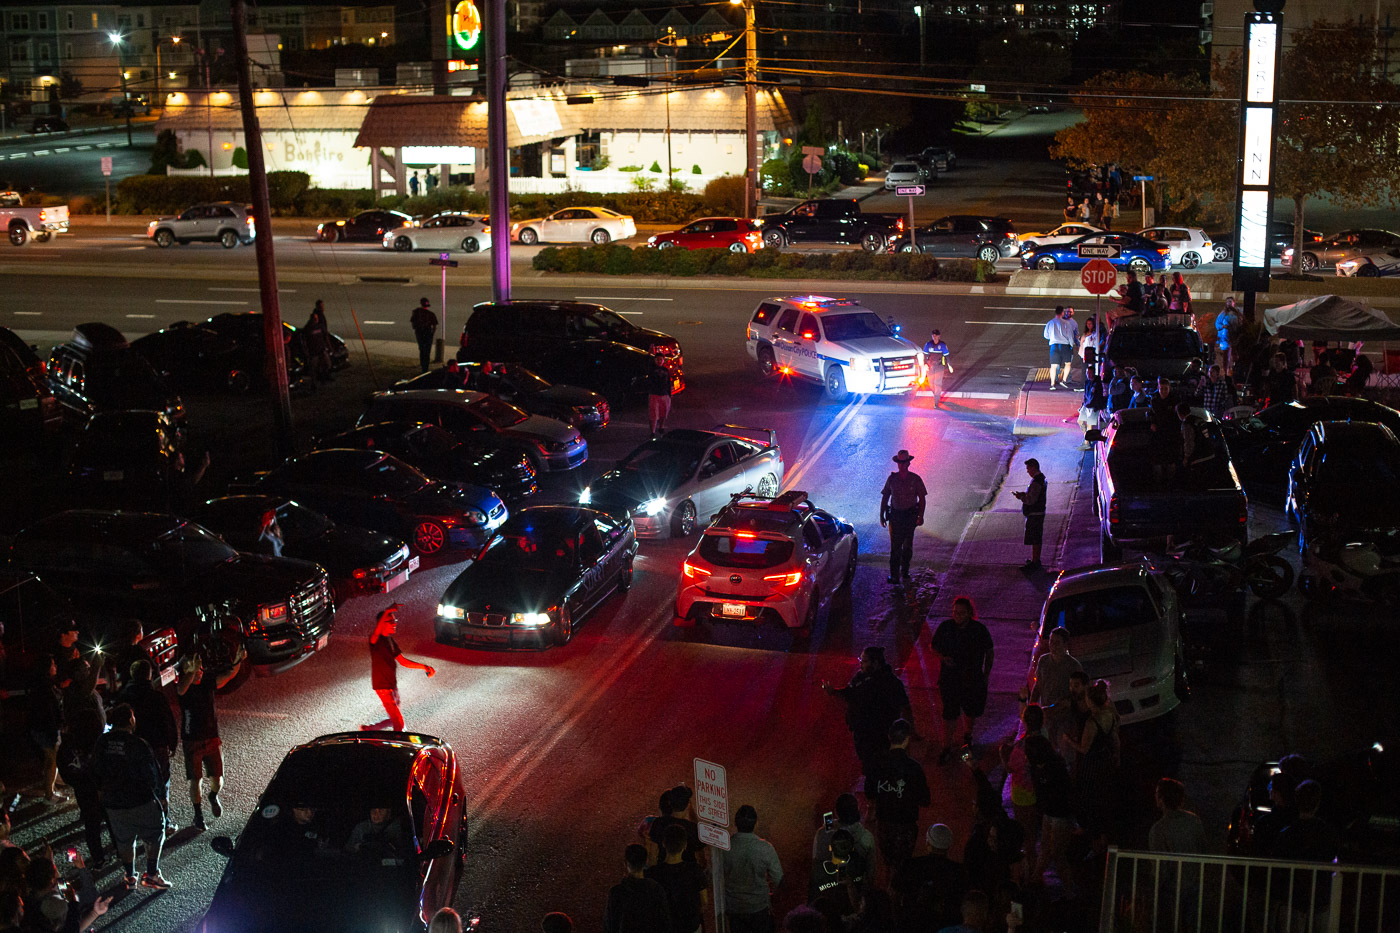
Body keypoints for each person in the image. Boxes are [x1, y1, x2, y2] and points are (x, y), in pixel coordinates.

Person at [93, 704, 170, 890]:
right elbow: (152, 773)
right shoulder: (138, 744)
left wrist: (101, 794)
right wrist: (160, 796)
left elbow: (95, 770)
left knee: (124, 840)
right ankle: (151, 874)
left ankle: (130, 876)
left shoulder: (102, 742)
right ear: (130, 720)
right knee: (155, 833)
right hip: (140, 801)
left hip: (114, 804)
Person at [822, 646, 915, 778]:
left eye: (864, 661)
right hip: (863, 735)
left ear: (875, 663)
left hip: (881, 736)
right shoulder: (860, 677)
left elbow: (905, 707)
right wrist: (834, 692)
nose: (860, 663)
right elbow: (849, 693)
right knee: (869, 765)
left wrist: (909, 732)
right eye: (861, 659)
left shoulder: (891, 684)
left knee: (880, 769)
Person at [177, 651, 239, 830]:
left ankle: (213, 796)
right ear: (185, 670)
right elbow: (181, 689)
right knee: (195, 780)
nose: (199, 670)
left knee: (218, 780)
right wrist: (191, 672)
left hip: (212, 739)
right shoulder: (183, 687)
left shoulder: (207, 683)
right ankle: (198, 815)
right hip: (192, 741)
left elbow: (230, 674)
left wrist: (237, 661)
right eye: (194, 667)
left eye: (200, 666)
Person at [931, 597, 995, 764]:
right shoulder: (946, 628)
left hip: (972, 679)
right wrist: (943, 658)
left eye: (961, 613)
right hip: (950, 679)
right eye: (955, 612)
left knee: (970, 710)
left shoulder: (979, 630)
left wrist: (986, 675)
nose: (957, 616)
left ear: (969, 613)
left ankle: (967, 736)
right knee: (949, 712)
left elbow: (990, 652)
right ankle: (947, 746)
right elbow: (934, 646)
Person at [117, 660, 178, 832]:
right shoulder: (156, 696)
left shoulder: (124, 696)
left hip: (131, 747)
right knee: (161, 783)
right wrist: (171, 742)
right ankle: (163, 821)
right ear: (149, 674)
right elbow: (167, 721)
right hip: (156, 747)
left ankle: (139, 823)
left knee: (136, 783)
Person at [57, 658, 106, 866]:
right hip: (89, 763)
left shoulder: (82, 692)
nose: (90, 672)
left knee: (95, 812)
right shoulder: (75, 693)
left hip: (91, 756)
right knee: (93, 818)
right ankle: (99, 858)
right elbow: (87, 690)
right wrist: (97, 665)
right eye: (86, 669)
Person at [865, 719, 931, 871]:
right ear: (907, 739)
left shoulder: (876, 763)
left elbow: (869, 792)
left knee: (888, 862)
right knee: (903, 865)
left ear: (889, 736)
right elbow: (925, 800)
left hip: (884, 823)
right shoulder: (914, 768)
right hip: (906, 824)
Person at [1063, 679, 1121, 847]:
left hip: (1092, 764)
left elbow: (1084, 749)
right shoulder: (1109, 714)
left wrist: (1068, 740)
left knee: (1089, 798)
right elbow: (1114, 739)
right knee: (1103, 798)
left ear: (1091, 701)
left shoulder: (1092, 721)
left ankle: (1095, 838)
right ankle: (1103, 835)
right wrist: (1117, 755)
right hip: (1105, 760)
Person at [363, 604, 436, 732]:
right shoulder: (375, 640)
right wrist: (387, 611)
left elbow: (403, 661)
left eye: (394, 620)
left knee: (395, 718)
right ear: (382, 623)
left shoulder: (390, 641)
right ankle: (396, 746)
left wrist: (424, 667)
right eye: (390, 621)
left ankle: (370, 729)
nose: (394, 624)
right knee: (399, 724)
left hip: (392, 686)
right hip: (383, 687)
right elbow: (376, 632)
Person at [890, 823, 967, 929]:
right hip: (945, 926)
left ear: (927, 842)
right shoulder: (958, 871)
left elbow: (895, 894)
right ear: (949, 845)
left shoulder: (911, 865)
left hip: (912, 925)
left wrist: (898, 920)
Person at [722, 805, 783, 933]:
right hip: (759, 907)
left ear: (735, 823)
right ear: (756, 823)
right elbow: (779, 879)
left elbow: (714, 875)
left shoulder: (725, 847)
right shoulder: (765, 848)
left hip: (734, 908)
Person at [1024, 734, 1075, 886]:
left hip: (1061, 814)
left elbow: (1063, 793)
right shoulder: (1038, 767)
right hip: (1050, 812)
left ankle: (1070, 893)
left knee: (1057, 854)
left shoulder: (1056, 767)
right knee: (1046, 849)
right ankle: (1034, 882)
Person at [1026, 628, 1083, 748]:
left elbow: (1078, 695)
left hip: (1065, 717)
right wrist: (1032, 707)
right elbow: (1038, 686)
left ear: (1065, 645)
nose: (1052, 645)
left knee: (1065, 750)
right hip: (1047, 716)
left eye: (1057, 643)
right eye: (1051, 641)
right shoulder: (1043, 661)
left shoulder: (1073, 666)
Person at [647, 824, 708, 933]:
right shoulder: (694, 870)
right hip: (690, 926)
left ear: (664, 844)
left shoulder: (653, 873)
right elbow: (704, 901)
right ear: (685, 846)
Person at [880, 450, 927, 584]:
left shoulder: (915, 479)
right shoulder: (892, 479)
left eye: (903, 462)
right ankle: (894, 575)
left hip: (909, 516)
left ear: (908, 463)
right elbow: (885, 497)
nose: (901, 465)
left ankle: (905, 572)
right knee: (895, 548)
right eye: (899, 463)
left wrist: (920, 516)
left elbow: (922, 498)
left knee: (907, 547)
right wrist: (882, 515)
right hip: (895, 516)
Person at [24, 655, 66, 803]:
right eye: (53, 665)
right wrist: (56, 727)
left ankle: (52, 788)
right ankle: (49, 793)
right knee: (50, 759)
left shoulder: (42, 685)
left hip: (43, 728)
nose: (55, 667)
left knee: (50, 759)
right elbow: (48, 712)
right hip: (46, 729)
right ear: (46, 668)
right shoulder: (44, 687)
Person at [604, 844, 672, 933]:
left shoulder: (616, 892)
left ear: (625, 863)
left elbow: (610, 924)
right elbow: (664, 922)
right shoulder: (656, 889)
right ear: (645, 862)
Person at [812, 794, 876, 872]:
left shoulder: (822, 834)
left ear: (836, 812)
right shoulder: (867, 838)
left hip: (829, 881)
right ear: (857, 810)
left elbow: (817, 863)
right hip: (857, 882)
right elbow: (871, 871)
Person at [1148, 778, 1207, 853]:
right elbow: (1203, 849)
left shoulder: (1158, 829)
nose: (1154, 796)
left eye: (1156, 793)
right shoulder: (1194, 820)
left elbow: (1158, 862)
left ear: (1161, 799)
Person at [648, 787, 702, 865]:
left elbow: (652, 855)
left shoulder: (659, 823)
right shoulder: (692, 828)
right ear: (687, 806)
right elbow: (701, 859)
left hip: (663, 871)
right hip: (687, 874)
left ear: (670, 803)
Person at [1012, 459, 1047, 569]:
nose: (1027, 472)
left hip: (1035, 513)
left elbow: (1031, 500)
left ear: (1033, 467)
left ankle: (1035, 562)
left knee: (1035, 538)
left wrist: (1022, 497)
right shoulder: (1040, 480)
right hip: (1037, 513)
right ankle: (1035, 560)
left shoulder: (1037, 481)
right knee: (1035, 538)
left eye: (1028, 469)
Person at [346, 805, 411, 858]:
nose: (376, 813)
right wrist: (358, 848)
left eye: (381, 810)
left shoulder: (398, 828)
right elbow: (348, 850)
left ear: (388, 813)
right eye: (373, 810)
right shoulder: (361, 828)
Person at [1042, 307, 1078, 390]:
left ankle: (1052, 384)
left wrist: (1052, 338)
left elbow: (1045, 335)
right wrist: (1072, 345)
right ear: (1062, 313)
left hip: (1054, 345)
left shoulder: (1050, 323)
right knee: (1067, 364)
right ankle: (1064, 380)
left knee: (1053, 365)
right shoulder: (1066, 323)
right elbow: (1070, 336)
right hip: (1065, 345)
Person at [303, 300, 333, 383]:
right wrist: (306, 351)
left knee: (326, 364)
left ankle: (323, 377)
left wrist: (328, 346)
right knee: (314, 368)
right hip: (313, 351)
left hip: (321, 349)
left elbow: (325, 335)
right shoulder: (309, 328)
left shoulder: (319, 326)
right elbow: (305, 340)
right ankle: (315, 382)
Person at [646, 353, 675, 437]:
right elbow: (647, 362)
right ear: (654, 360)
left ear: (663, 360)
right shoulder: (651, 369)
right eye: (657, 359)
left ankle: (661, 427)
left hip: (664, 394)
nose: (659, 361)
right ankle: (653, 432)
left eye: (660, 360)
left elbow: (668, 383)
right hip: (654, 394)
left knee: (664, 413)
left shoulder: (666, 370)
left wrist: (669, 394)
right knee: (653, 414)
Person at [923, 330, 953, 408]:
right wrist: (925, 364)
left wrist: (949, 365)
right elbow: (924, 355)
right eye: (933, 336)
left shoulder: (942, 345)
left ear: (939, 336)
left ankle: (936, 402)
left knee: (938, 384)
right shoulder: (928, 344)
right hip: (930, 367)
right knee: (931, 383)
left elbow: (947, 356)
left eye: (936, 336)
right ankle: (936, 394)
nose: (934, 337)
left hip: (939, 366)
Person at [410, 297, 438, 374]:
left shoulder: (416, 313)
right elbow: (434, 326)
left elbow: (413, 323)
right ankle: (426, 367)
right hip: (428, 334)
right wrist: (432, 333)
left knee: (422, 350)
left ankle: (423, 366)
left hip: (420, 333)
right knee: (427, 351)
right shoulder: (431, 314)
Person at [1215, 298, 1242, 374]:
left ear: (1234, 303)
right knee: (1226, 355)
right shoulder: (1223, 313)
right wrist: (1223, 326)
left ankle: (1235, 370)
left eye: (1230, 301)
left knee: (1235, 355)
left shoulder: (1237, 313)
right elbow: (1217, 323)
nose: (1228, 303)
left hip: (1235, 336)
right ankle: (1226, 371)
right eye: (1227, 302)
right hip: (1226, 337)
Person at [1076, 315, 1099, 383]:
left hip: (1091, 353)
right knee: (1084, 370)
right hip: (1084, 354)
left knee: (1091, 369)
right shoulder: (1085, 333)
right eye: (1087, 324)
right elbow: (1082, 343)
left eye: (1090, 324)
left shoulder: (1095, 333)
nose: (1089, 325)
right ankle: (1083, 383)